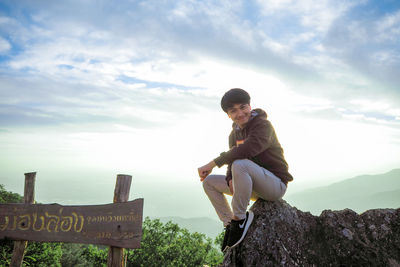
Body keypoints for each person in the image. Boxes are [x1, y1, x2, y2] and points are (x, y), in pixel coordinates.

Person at [197, 88, 293, 252]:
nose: (240, 113)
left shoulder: (263, 126)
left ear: (250, 106)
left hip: (274, 186)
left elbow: (247, 150)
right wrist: (230, 180)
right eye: (233, 110)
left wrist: (212, 163)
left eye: (243, 107)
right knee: (209, 183)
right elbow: (231, 162)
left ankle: (240, 218)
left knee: (240, 163)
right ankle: (230, 224)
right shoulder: (233, 134)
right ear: (228, 115)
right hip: (250, 183)